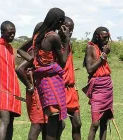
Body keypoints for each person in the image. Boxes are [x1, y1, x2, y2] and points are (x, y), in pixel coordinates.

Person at [31, 8, 70, 140]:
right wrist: (67, 39)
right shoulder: (53, 36)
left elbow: (25, 52)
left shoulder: (38, 36)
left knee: (57, 123)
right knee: (53, 127)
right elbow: (63, 62)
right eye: (62, 22)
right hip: (52, 83)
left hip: (43, 83)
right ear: (59, 22)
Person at [16, 22, 49, 140]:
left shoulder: (39, 49)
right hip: (36, 92)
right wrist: (30, 86)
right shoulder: (34, 50)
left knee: (46, 125)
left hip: (42, 91)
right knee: (37, 125)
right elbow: (19, 69)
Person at [83, 27, 113, 140]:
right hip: (97, 87)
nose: (106, 40)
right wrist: (103, 56)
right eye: (104, 38)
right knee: (95, 123)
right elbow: (90, 69)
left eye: (108, 38)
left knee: (105, 121)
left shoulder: (102, 48)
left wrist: (104, 53)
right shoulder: (90, 47)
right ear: (97, 36)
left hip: (107, 87)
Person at [60, 17, 82, 140]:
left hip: (71, 89)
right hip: (59, 89)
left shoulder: (69, 44)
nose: (70, 32)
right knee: (58, 125)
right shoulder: (53, 43)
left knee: (77, 123)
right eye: (68, 28)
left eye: (72, 30)